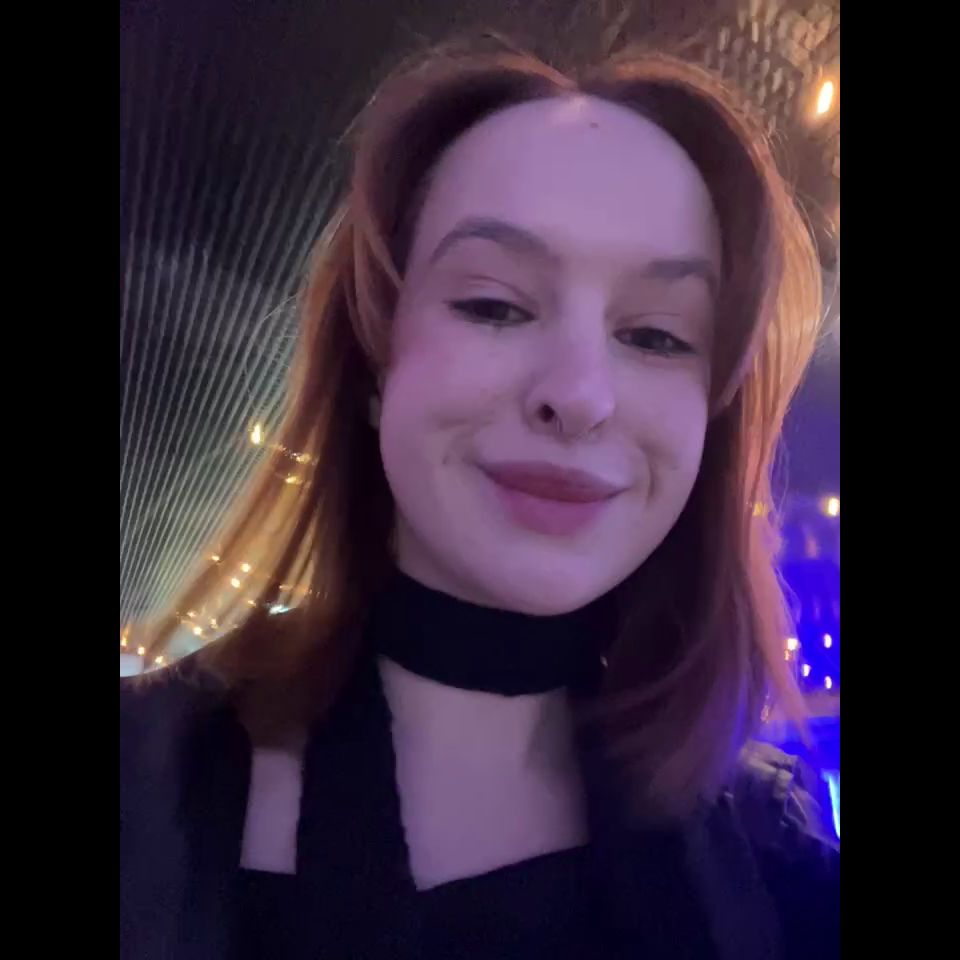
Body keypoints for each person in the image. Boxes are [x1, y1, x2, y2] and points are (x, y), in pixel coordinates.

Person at [121, 39, 839, 960]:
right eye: (495, 306)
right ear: (376, 360)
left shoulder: (777, 863)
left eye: (657, 336)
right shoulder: (143, 791)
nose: (579, 394)